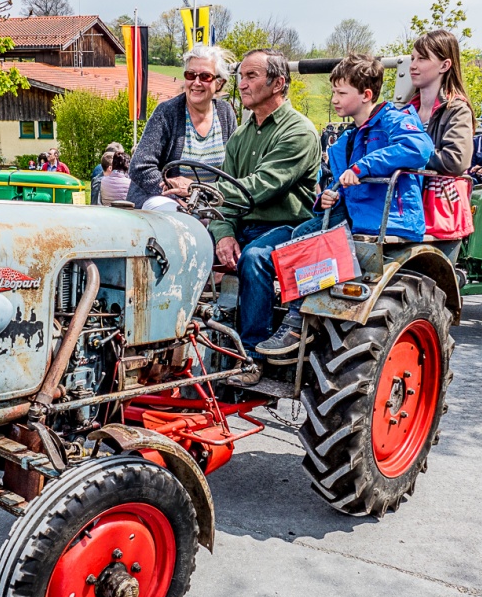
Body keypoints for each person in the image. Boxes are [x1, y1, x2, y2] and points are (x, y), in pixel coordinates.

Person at [255, 53, 433, 359]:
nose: (334, 99)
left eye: (341, 93)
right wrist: (326, 197)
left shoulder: (394, 119)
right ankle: (277, 316)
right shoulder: (346, 138)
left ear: (365, 95)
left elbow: (418, 149)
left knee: (309, 242)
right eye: (334, 92)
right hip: (353, 215)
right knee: (296, 235)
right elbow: (335, 183)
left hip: (387, 218)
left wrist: (364, 167)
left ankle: (298, 323)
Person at [166, 48, 319, 386]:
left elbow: (260, 187)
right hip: (245, 225)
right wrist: (222, 234)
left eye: (251, 76)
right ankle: (166, 355)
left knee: (254, 258)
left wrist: (198, 189)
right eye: (241, 76)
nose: (242, 83)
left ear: (278, 83)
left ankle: (251, 356)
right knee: (176, 246)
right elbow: (227, 197)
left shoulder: (299, 132)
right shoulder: (241, 135)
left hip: (289, 227)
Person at [128, 44, 239, 211]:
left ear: (219, 83)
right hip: (164, 199)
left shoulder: (225, 113)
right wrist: (174, 195)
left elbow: (233, 170)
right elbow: (140, 166)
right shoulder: (167, 113)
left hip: (208, 202)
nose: (196, 82)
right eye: (190, 75)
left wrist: (200, 194)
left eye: (205, 76)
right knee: (181, 218)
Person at [406, 29, 475, 239]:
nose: (413, 65)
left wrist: (407, 154)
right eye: (412, 58)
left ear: (445, 65)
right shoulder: (406, 111)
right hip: (410, 208)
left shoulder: (457, 110)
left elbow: (455, 161)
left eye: (422, 58)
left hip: (440, 212)